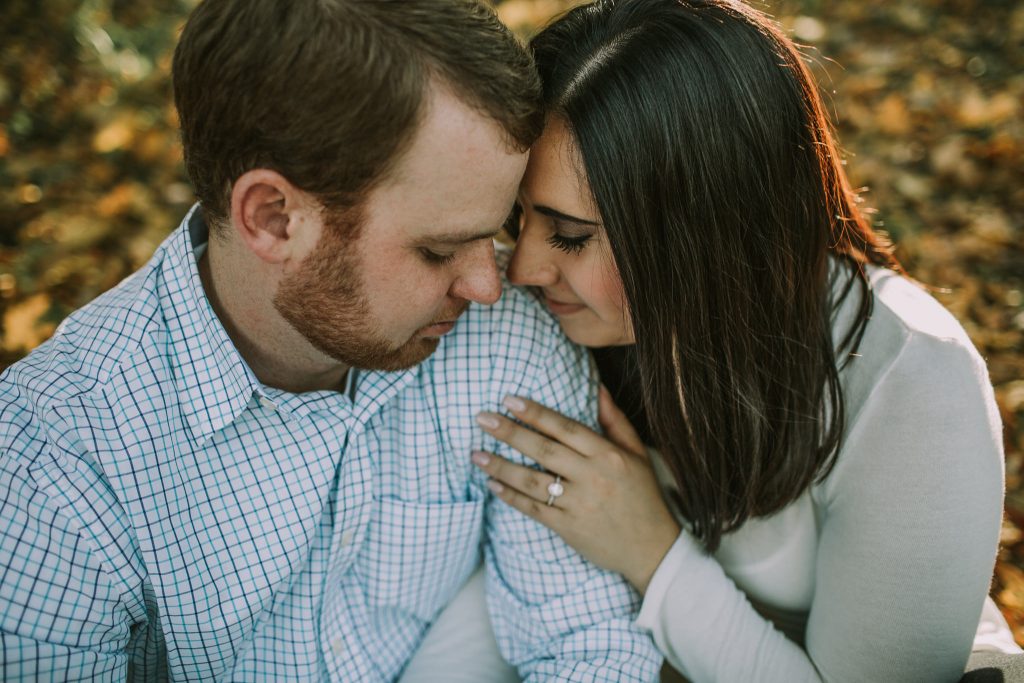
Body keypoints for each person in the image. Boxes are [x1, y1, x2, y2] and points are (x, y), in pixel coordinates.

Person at [0, 0, 663, 680]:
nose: (490, 285)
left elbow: (589, 644)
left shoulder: (505, 336)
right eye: (438, 250)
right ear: (274, 218)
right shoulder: (54, 464)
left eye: (491, 233)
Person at [463, 0, 1020, 680]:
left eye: (571, 235)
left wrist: (653, 551)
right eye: (518, 218)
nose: (520, 267)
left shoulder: (911, 381)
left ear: (705, 229)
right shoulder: (530, 317)